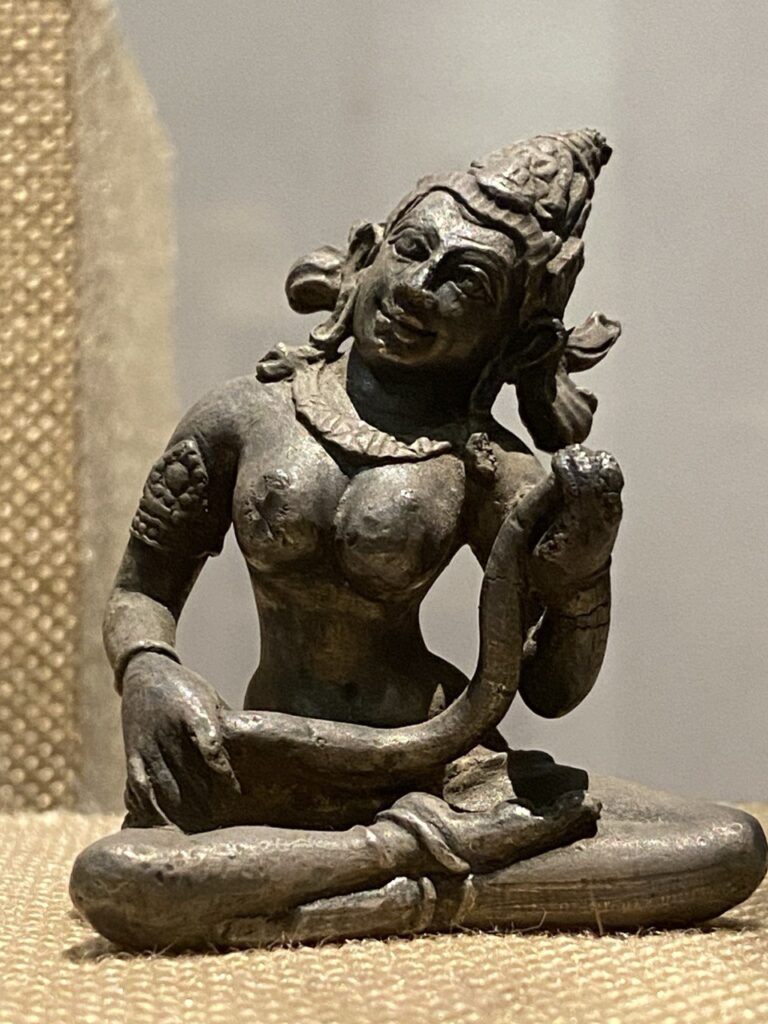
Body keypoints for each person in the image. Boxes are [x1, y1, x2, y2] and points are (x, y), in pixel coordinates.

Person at [70, 130, 765, 949]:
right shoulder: (243, 415)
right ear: (367, 254)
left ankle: (375, 881)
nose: (419, 289)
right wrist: (149, 671)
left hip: (446, 766)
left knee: (725, 846)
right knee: (118, 877)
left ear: (514, 337)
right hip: (261, 756)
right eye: (412, 251)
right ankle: (427, 869)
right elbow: (142, 588)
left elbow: (549, 689)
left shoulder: (490, 467)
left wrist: (582, 580)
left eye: (465, 282)